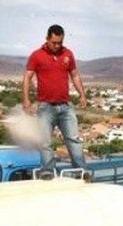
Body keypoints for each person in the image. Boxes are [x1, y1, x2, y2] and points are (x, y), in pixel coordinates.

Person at [22, 24, 88, 178]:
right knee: (45, 142)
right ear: (47, 39)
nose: (57, 46)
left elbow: (75, 75)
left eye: (60, 43)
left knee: (73, 140)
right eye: (54, 43)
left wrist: (82, 95)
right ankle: (47, 172)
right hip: (46, 107)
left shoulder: (68, 54)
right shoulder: (36, 56)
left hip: (66, 106)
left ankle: (81, 171)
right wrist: (26, 100)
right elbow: (27, 77)